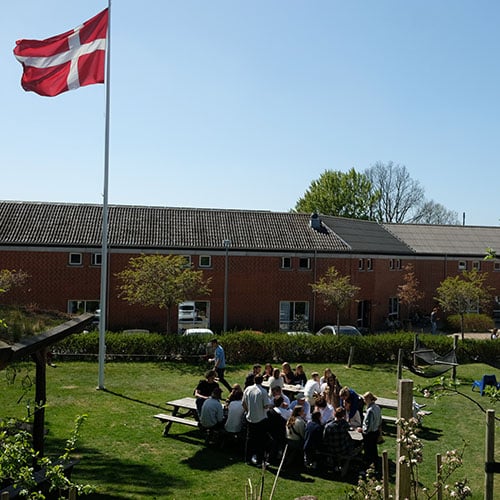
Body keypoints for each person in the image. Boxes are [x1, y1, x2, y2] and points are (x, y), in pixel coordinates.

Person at [323, 407, 362, 475]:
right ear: (343, 415)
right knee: (357, 443)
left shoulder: (328, 426)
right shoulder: (345, 425)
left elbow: (325, 439)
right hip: (343, 449)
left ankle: (335, 464)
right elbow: (352, 435)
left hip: (331, 448)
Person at [242, 374, 271, 466]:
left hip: (250, 418)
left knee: (249, 440)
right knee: (260, 441)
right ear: (262, 381)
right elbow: (266, 406)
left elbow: (243, 403)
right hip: (261, 419)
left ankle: (247, 459)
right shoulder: (263, 392)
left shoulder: (248, 389)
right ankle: (259, 461)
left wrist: (248, 411)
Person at [357, 391, 382, 470]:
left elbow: (369, 425)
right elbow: (380, 420)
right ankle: (376, 465)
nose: (364, 401)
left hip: (370, 434)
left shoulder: (370, 410)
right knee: (374, 450)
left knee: (368, 451)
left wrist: (363, 431)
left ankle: (368, 466)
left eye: (365, 399)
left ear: (368, 399)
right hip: (376, 431)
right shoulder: (377, 407)